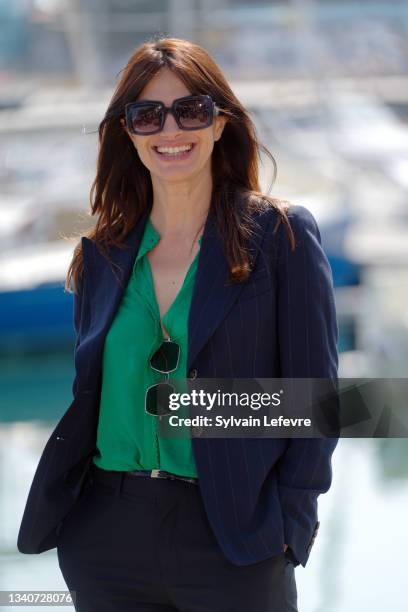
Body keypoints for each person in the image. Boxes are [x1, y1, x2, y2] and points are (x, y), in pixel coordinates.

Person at [17, 37, 339, 612]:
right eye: (147, 115)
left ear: (219, 123)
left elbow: (317, 401)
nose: (171, 130)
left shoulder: (281, 237)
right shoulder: (102, 254)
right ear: (128, 133)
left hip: (234, 539)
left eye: (190, 110)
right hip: (107, 538)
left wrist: (290, 525)